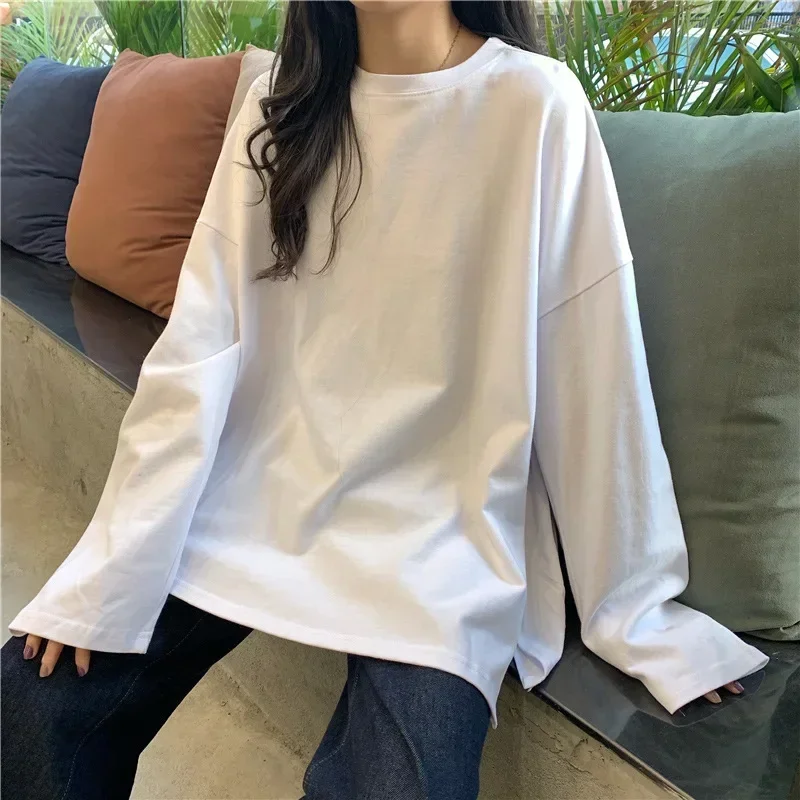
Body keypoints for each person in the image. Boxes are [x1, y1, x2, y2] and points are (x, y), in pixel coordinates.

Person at [2, 2, 768, 799]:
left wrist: (636, 607)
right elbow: (195, 352)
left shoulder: (535, 104)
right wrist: (108, 563)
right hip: (254, 498)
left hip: (440, 541)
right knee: (27, 703)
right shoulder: (277, 106)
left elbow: (594, 365)